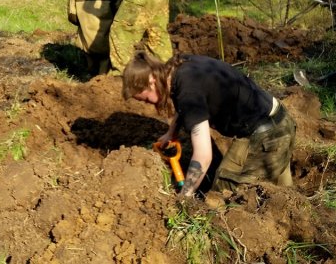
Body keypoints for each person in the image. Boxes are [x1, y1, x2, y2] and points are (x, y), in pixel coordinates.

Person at [123, 51, 296, 196]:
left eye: (146, 99)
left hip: (265, 139)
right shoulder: (178, 65)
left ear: (152, 81)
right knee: (284, 197)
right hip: (281, 122)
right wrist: (171, 133)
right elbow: (187, 103)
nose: (149, 105)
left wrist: (185, 196)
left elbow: (203, 156)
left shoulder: (187, 90)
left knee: (222, 199)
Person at [68, 0, 124, 75]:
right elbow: (122, 16)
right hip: (107, 46)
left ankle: (88, 72)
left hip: (85, 45)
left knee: (87, 71)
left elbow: (72, 17)